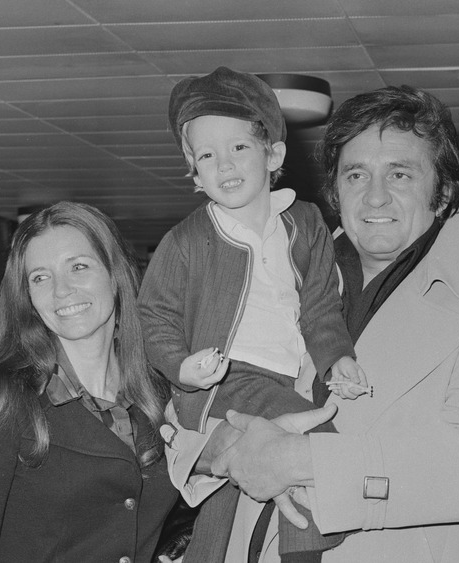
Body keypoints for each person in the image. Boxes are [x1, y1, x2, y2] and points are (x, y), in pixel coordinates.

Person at [161, 84, 459, 562]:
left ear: (443, 191)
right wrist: (224, 448)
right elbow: (184, 412)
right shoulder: (277, 271)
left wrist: (299, 461)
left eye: (400, 174)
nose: (375, 197)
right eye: (356, 175)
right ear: (335, 191)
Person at [137, 66, 365, 563]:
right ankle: (307, 554)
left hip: (287, 378)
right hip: (227, 381)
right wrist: (180, 366)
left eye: (238, 147)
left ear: (274, 153)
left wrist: (337, 358)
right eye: (207, 156)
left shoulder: (306, 225)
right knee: (313, 450)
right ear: (194, 172)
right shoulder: (187, 240)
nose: (224, 165)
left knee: (231, 495)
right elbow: (152, 317)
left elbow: (322, 306)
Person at [0, 201, 177, 562]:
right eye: (40, 277)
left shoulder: (159, 393)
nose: (61, 290)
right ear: (27, 298)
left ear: (115, 276)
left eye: (79, 267)